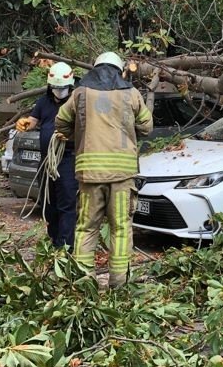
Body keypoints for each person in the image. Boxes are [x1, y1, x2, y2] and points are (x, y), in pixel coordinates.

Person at [55, 52, 152, 288]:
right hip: (122, 176)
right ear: (120, 71)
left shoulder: (80, 92)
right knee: (120, 229)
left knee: (86, 228)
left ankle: (84, 283)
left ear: (94, 69)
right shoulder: (132, 93)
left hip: (89, 175)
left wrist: (73, 132)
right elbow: (147, 127)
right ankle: (118, 285)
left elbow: (61, 120)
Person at [16, 62, 77, 248]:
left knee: (66, 204)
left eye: (63, 88)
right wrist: (26, 123)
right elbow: (34, 120)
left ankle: (65, 246)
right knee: (48, 203)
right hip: (46, 162)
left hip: (67, 159)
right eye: (57, 88)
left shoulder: (76, 101)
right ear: (51, 86)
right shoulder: (44, 102)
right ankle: (54, 238)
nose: (60, 92)